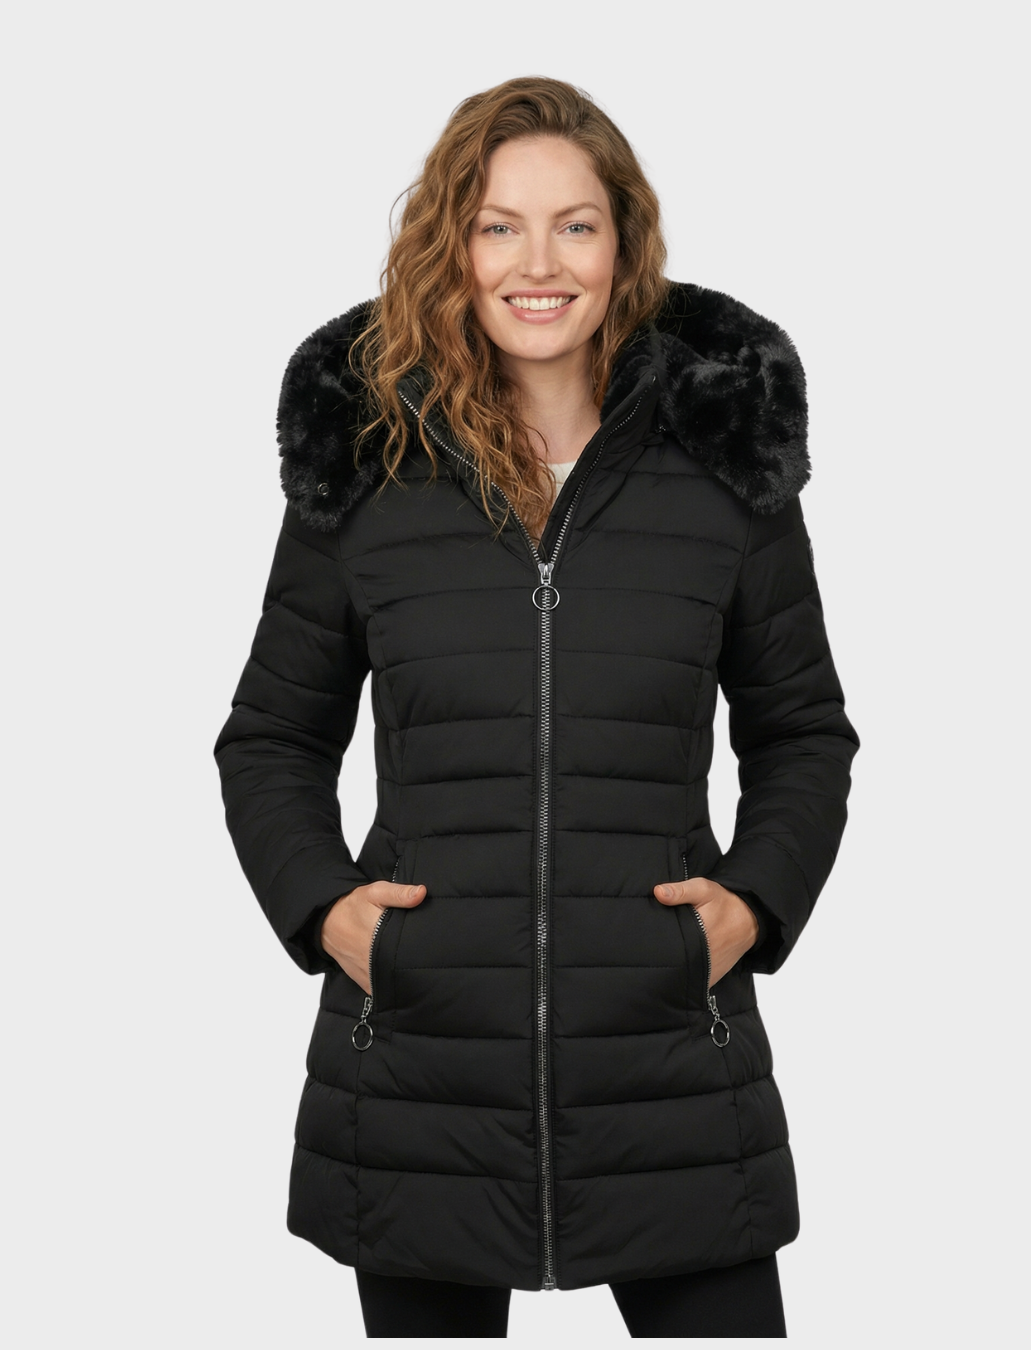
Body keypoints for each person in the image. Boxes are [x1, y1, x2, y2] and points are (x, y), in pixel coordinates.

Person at [214, 75, 859, 1338]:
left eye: (575, 225)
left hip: (671, 1061)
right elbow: (272, 738)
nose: (539, 264)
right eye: (498, 226)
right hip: (421, 1065)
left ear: (624, 244)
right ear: (452, 246)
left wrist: (753, 903)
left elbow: (804, 732)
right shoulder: (370, 469)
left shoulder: (722, 474)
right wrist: (328, 910)